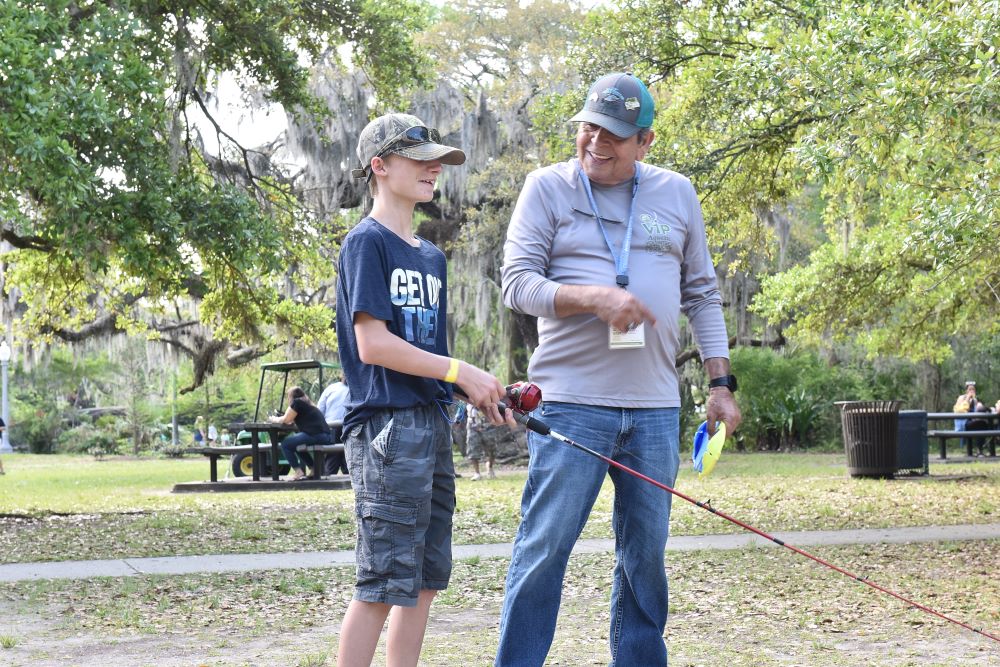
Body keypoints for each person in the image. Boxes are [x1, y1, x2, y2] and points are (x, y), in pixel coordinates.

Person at [496, 72, 742, 666]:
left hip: (655, 407)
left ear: (645, 142)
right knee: (545, 546)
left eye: (613, 134)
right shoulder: (547, 188)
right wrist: (594, 297)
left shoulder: (677, 193)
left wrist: (720, 383)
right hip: (571, 405)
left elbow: (703, 294)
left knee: (645, 554)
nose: (596, 143)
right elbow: (516, 285)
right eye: (588, 128)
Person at [334, 112, 512, 667]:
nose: (434, 168)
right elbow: (374, 346)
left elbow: (430, 358)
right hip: (386, 430)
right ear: (380, 166)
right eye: (420, 159)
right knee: (383, 582)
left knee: (427, 580)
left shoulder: (431, 256)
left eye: (438, 161)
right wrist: (461, 371)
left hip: (430, 426)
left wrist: (479, 389)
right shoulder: (367, 243)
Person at [269, 386, 333, 481]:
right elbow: (293, 419)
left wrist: (274, 419)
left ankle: (298, 471)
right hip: (326, 436)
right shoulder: (308, 404)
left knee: (286, 444)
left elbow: (286, 419)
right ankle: (313, 468)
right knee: (296, 445)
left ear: (291, 396)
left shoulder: (297, 403)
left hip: (315, 434)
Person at [317, 376, 351, 475]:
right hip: (346, 427)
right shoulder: (355, 389)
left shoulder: (331, 388)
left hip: (332, 426)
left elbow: (320, 410)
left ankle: (329, 478)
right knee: (347, 456)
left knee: (332, 457)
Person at [465, 404, 497, 480]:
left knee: (492, 450)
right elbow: (461, 406)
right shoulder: (465, 395)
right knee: (472, 449)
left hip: (488, 426)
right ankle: (477, 473)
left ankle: (490, 468)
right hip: (472, 426)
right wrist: (458, 418)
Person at [952, 381, 977, 450]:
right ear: (966, 390)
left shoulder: (974, 400)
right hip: (962, 423)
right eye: (970, 389)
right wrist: (967, 399)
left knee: (981, 424)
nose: (971, 391)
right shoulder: (961, 398)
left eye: (973, 389)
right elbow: (959, 410)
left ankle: (977, 449)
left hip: (971, 421)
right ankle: (964, 448)